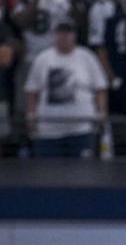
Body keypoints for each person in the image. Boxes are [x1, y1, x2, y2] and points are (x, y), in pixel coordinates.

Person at [24, 22, 108, 158]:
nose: (65, 37)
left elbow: (100, 88)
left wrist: (101, 114)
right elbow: (32, 91)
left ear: (74, 35)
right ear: (55, 35)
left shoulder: (87, 57)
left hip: (81, 128)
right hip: (48, 129)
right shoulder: (42, 59)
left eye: (68, 33)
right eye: (61, 33)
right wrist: (31, 118)